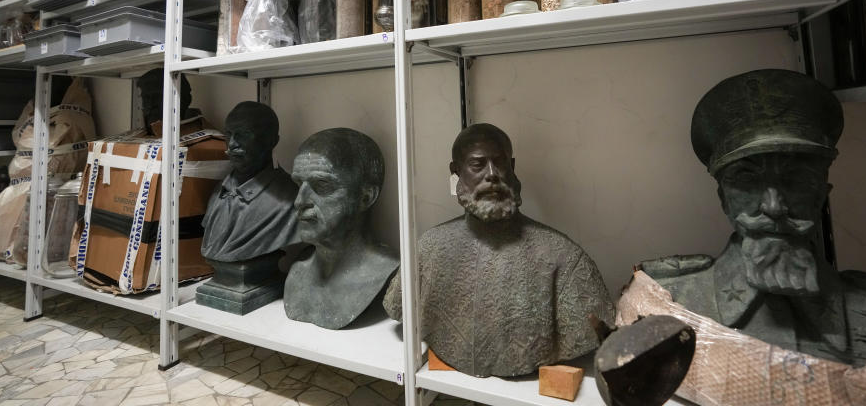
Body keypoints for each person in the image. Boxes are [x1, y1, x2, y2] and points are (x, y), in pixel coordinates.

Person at [642, 69, 866, 366]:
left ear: (821, 194)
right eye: (747, 180)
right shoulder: (665, 305)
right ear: (724, 199)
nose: (774, 206)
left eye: (795, 179)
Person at [384, 123, 613, 378]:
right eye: (478, 165)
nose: (491, 174)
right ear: (456, 171)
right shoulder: (428, 249)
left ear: (512, 167)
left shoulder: (565, 258)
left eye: (499, 162)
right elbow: (399, 306)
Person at [283, 128, 398, 329]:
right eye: (298, 184)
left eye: (322, 185)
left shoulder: (390, 272)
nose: (299, 201)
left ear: (366, 197)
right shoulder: (297, 271)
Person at [200, 102, 298, 263]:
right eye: (229, 134)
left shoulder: (290, 198)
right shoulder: (219, 191)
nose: (232, 144)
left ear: (272, 140)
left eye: (243, 134)